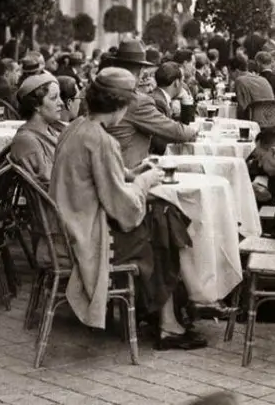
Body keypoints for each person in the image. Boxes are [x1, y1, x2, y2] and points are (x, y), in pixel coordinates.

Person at [50, 67, 206, 350]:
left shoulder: (76, 127)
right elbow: (125, 210)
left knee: (163, 217)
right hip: (88, 239)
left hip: (69, 225)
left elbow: (99, 178)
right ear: (121, 105)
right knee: (164, 222)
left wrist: (132, 173)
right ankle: (174, 316)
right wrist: (144, 181)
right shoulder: (102, 140)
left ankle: (166, 313)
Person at [106, 41, 197, 169]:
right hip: (130, 170)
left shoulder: (105, 92)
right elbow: (176, 132)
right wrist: (194, 132)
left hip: (106, 167)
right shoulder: (136, 101)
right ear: (141, 70)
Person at [9, 72, 63, 188]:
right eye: (54, 98)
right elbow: (49, 183)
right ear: (36, 105)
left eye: (60, 97)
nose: (61, 103)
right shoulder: (26, 141)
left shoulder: (52, 130)